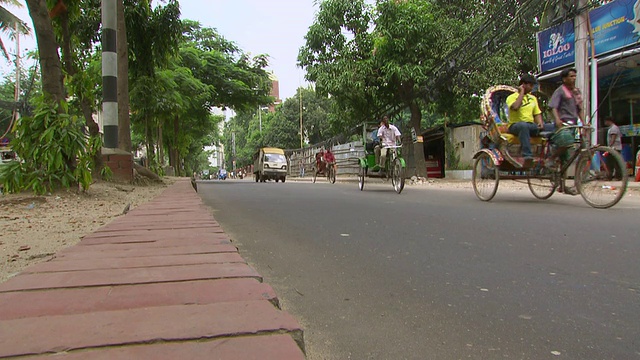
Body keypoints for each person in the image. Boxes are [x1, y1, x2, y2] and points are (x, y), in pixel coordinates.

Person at [506, 74, 545, 167]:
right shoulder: (511, 97)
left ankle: (551, 157)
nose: (532, 88)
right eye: (530, 85)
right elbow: (515, 107)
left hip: (530, 125)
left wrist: (540, 123)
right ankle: (527, 156)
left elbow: (537, 114)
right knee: (523, 126)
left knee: (552, 126)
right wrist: (521, 93)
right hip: (515, 126)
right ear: (523, 85)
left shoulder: (533, 98)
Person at [604, 116, 623, 180]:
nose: (605, 123)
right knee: (614, 163)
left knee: (611, 163)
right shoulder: (612, 128)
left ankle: (613, 176)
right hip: (614, 148)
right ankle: (614, 176)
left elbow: (613, 138)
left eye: (606, 121)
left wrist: (609, 147)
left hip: (614, 148)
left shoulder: (613, 128)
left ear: (609, 121)